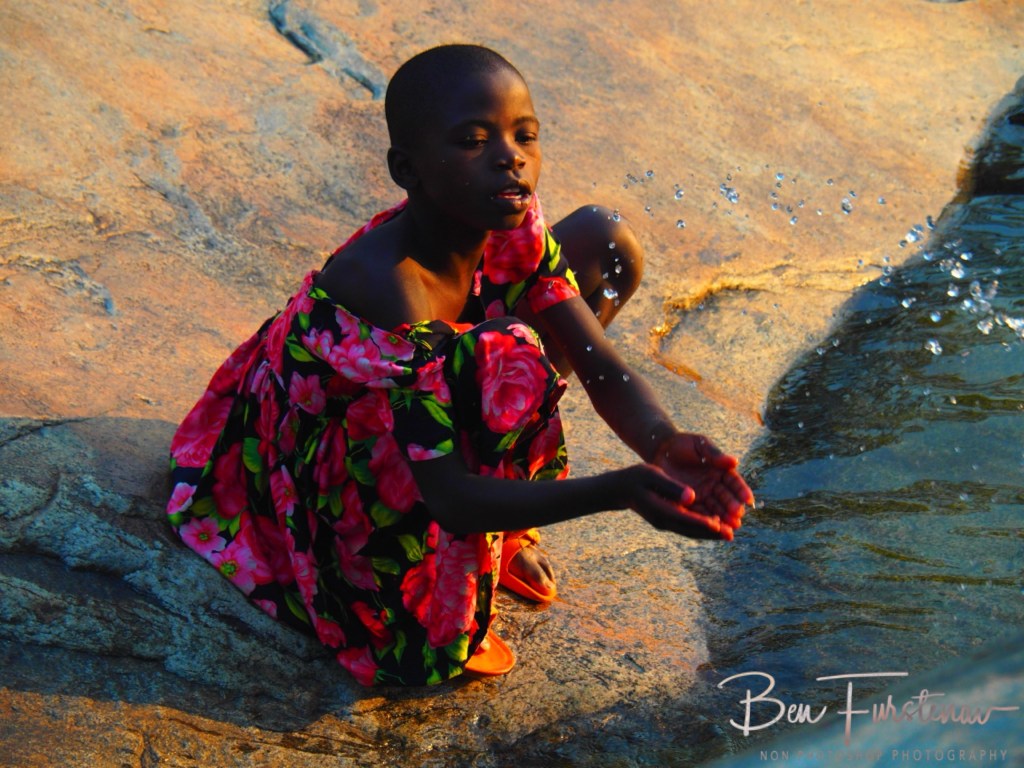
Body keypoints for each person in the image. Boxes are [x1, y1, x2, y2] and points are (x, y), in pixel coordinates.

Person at [166, 44, 754, 686]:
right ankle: (489, 527)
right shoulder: (390, 288)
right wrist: (617, 491)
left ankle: (507, 512)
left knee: (604, 246)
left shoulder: (505, 219)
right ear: (407, 169)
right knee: (504, 357)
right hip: (335, 463)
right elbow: (447, 497)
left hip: (430, 405)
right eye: (475, 141)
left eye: (524, 135)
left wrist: (661, 442)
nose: (511, 156)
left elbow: (599, 363)